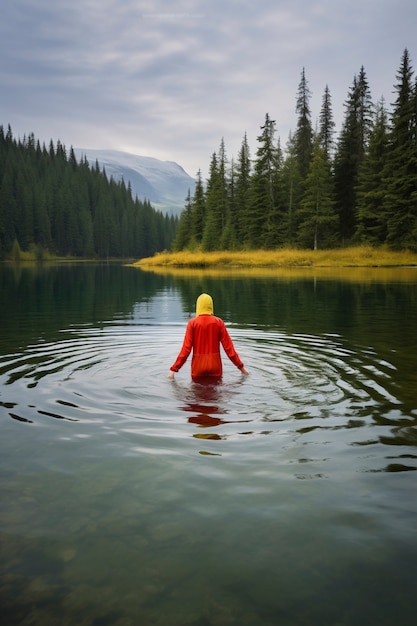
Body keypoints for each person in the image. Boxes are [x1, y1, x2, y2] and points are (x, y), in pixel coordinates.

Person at [168, 293, 249, 381]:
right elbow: (229, 348)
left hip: (198, 368)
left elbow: (186, 349)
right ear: (211, 306)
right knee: (216, 392)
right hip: (215, 367)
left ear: (198, 306)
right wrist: (241, 368)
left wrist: (174, 369)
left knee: (196, 392)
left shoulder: (192, 323)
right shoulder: (219, 322)